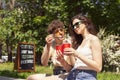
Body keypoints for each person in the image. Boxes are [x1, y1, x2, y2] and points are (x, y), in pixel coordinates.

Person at [62, 14, 102, 80]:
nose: (75, 27)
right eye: (73, 26)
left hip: (86, 76)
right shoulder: (79, 42)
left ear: (85, 23)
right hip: (73, 74)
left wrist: (77, 54)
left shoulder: (93, 39)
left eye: (77, 24)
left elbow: (98, 67)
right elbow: (75, 64)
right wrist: (68, 55)